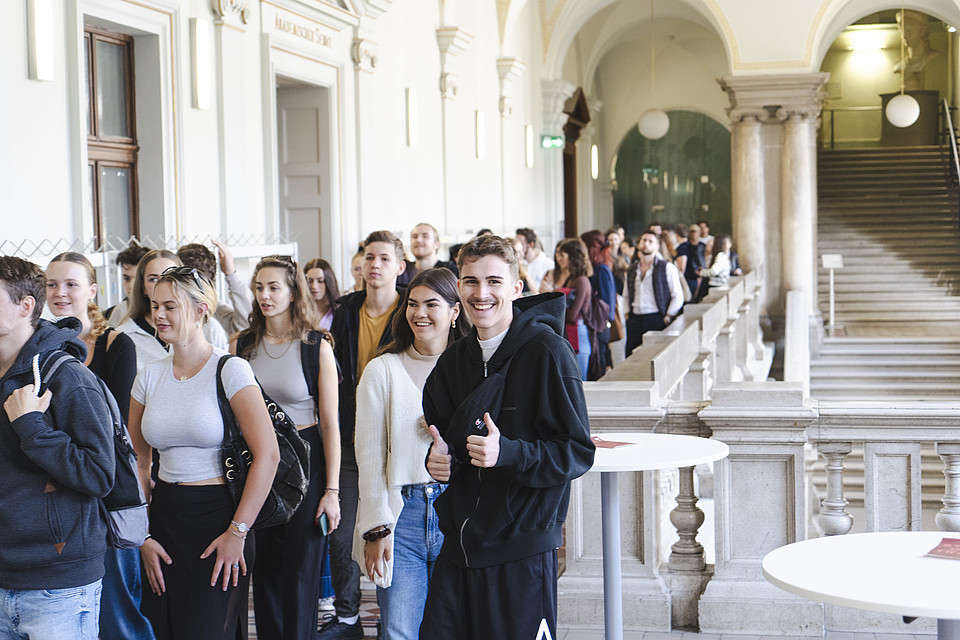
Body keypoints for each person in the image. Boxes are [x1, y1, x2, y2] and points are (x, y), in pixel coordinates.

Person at [419, 235, 595, 640]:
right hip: (457, 550)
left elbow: (577, 452)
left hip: (521, 551)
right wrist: (438, 461)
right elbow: (446, 445)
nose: (482, 294)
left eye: (494, 282)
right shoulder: (453, 360)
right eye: (471, 281)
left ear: (517, 287)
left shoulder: (549, 353)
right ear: (458, 287)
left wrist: (509, 453)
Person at [129, 266, 279, 640]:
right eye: (154, 306)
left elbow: (268, 456)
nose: (158, 315)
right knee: (163, 628)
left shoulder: (230, 370)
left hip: (219, 518)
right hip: (163, 518)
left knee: (208, 630)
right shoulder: (149, 375)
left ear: (200, 311)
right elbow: (137, 460)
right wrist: (142, 534)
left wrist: (238, 532)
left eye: (170, 306)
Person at [0, 256, 115, 639]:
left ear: (25, 306)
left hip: (57, 583)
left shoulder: (67, 377)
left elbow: (99, 475)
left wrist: (32, 427)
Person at [45, 252, 154, 640]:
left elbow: (118, 426)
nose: (60, 293)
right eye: (52, 284)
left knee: (119, 606)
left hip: (106, 486)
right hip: (61, 487)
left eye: (71, 284)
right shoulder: (40, 345)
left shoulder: (114, 344)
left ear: (92, 290)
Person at [232, 255, 342, 640]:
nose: (264, 295)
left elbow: (330, 424)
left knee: (300, 569)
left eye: (274, 287)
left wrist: (332, 491)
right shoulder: (243, 345)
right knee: (264, 567)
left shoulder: (316, 346)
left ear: (293, 293)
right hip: (259, 459)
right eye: (259, 287)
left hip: (307, 458)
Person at [353, 268, 466, 640]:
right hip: (402, 513)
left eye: (432, 304)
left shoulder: (471, 368)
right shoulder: (382, 370)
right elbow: (369, 458)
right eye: (412, 304)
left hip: (459, 510)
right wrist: (376, 528)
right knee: (400, 630)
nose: (420, 313)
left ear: (455, 311)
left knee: (454, 627)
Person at [323, 231, 407, 640]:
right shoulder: (346, 310)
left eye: (384, 258)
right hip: (353, 433)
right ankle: (348, 615)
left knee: (397, 532)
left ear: (399, 266)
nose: (375, 264)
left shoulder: (412, 306)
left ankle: (397, 615)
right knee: (343, 535)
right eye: (369, 257)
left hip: (401, 436)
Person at [117, 249, 182, 370]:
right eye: (154, 279)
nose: (164, 285)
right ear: (143, 287)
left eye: (171, 278)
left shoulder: (206, 328)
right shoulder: (124, 337)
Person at [624, 231, 684, 357]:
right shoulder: (632, 268)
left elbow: (678, 295)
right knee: (632, 356)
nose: (646, 244)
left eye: (650, 241)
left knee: (654, 357)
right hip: (635, 319)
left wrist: (668, 316)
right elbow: (626, 294)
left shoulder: (667, 267)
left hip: (656, 318)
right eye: (644, 240)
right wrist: (626, 314)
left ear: (657, 246)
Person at [177, 241, 253, 336]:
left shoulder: (215, 309)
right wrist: (230, 274)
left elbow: (245, 326)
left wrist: (231, 275)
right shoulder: (169, 311)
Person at [546, 239, 592, 381]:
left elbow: (572, 314)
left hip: (578, 333)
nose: (559, 259)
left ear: (572, 257)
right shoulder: (570, 279)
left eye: (562, 255)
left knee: (578, 381)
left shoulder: (581, 280)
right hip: (568, 333)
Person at [582, 230, 617, 378]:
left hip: (599, 327)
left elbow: (605, 302)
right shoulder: (594, 269)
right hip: (596, 326)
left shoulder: (601, 269)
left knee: (599, 368)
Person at [106, 242, 151, 325]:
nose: (131, 286)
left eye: (138, 279)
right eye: (126, 278)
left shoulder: (163, 310)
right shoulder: (119, 312)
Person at [304, 258, 342, 331]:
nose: (314, 286)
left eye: (320, 281)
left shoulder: (340, 311)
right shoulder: (300, 312)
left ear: (329, 282)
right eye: (310, 281)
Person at [515, 227, 554, 293]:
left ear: (531, 244)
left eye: (521, 243)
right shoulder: (518, 262)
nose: (519, 246)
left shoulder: (548, 263)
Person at [698, 233, 734, 300]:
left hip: (717, 286)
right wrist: (702, 272)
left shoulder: (721, 255)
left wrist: (701, 272)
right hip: (718, 286)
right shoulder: (722, 255)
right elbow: (714, 271)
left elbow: (714, 271)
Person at [675, 225, 705, 302]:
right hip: (690, 278)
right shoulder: (686, 246)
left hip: (697, 277)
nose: (694, 234)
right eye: (692, 232)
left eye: (696, 232)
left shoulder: (702, 246)